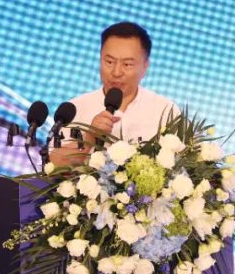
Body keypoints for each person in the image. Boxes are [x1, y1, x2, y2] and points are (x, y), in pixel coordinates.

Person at [50, 22, 178, 166]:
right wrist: (90, 136)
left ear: (145, 67)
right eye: (109, 62)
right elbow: (53, 165)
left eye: (127, 64)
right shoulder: (74, 109)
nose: (116, 72)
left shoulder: (166, 111)